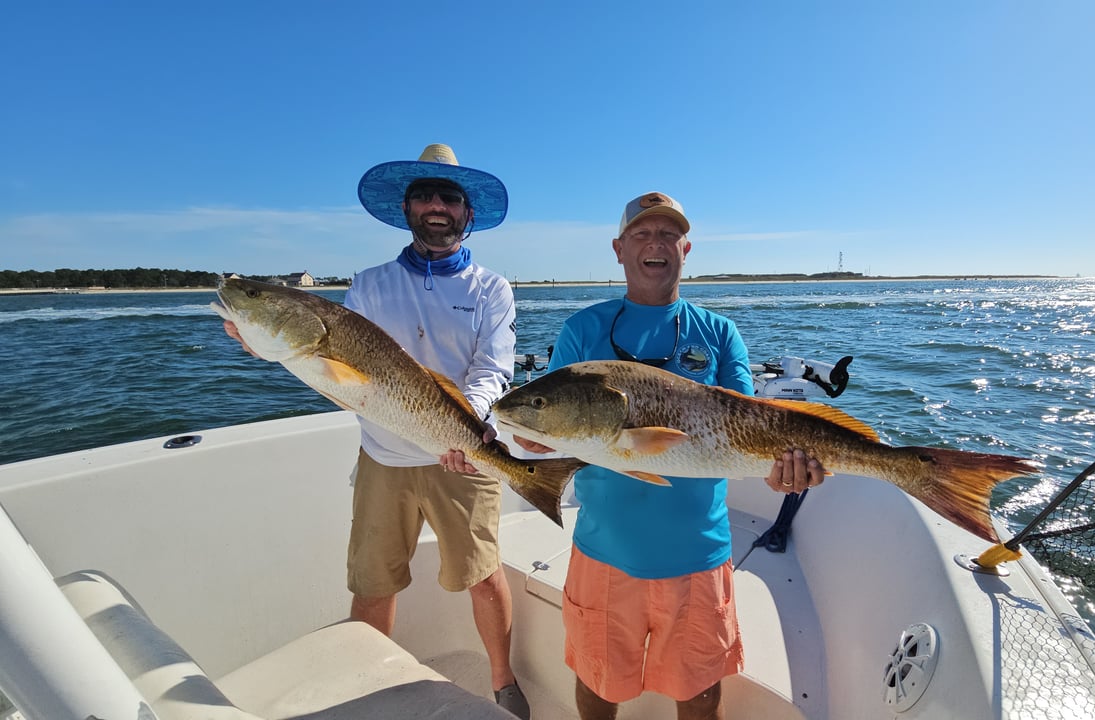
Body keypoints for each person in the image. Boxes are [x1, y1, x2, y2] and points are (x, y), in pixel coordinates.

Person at [223, 143, 529, 719]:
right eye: (423, 195)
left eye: (448, 196)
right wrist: (271, 349)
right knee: (373, 582)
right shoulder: (368, 284)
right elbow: (341, 374)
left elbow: (494, 368)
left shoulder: (492, 289)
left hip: (465, 454)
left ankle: (503, 680)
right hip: (383, 456)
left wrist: (472, 425)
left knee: (484, 577)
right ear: (407, 208)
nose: (435, 205)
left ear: (467, 213)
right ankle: (368, 687)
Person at [513, 192, 825, 720]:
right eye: (641, 234)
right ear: (618, 248)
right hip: (602, 553)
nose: (654, 244)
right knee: (597, 688)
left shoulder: (720, 334)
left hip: (698, 556)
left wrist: (784, 474)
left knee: (701, 695)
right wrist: (539, 435)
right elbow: (552, 425)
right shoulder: (582, 331)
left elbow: (751, 428)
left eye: (666, 235)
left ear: (686, 248)